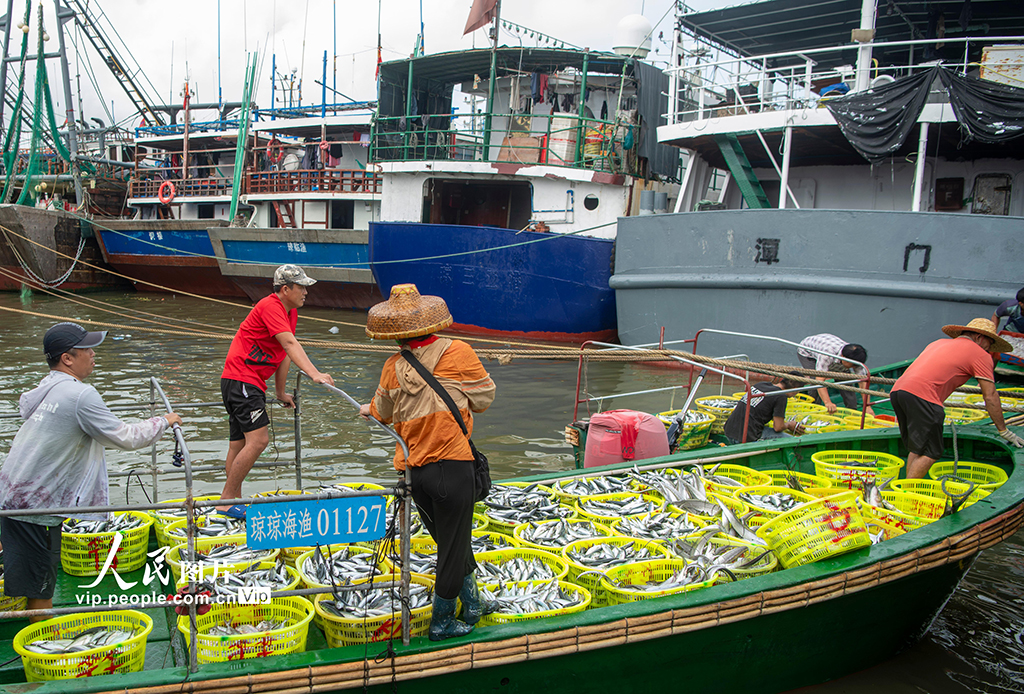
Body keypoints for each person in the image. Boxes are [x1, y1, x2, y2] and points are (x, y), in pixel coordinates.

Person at [0, 322, 182, 621]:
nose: (93, 354)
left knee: (27, 571)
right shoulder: (80, 395)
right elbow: (125, 437)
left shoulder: (47, 386)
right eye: (86, 349)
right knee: (40, 588)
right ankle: (44, 643)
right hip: (34, 506)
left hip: (11, 492)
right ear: (67, 359)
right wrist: (163, 421)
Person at [358, 284, 496, 641]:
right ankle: (442, 622)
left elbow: (381, 411)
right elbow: (484, 399)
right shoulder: (458, 351)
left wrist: (367, 409)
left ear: (396, 335)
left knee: (453, 542)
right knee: (452, 549)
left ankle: (474, 603)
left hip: (415, 474)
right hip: (453, 468)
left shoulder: (392, 367)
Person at [218, 265, 334, 518]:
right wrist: (314, 373)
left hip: (242, 380)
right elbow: (290, 344)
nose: (306, 292)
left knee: (238, 444)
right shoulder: (270, 306)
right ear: (285, 289)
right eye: (301, 287)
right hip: (242, 379)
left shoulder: (289, 313)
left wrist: (280, 392)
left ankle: (233, 500)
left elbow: (284, 354)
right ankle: (226, 500)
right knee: (259, 441)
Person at [890, 318, 1024, 479]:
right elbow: (990, 396)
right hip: (923, 397)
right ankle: (907, 491)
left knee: (918, 448)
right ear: (980, 337)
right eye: (990, 343)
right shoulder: (980, 354)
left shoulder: (938, 343)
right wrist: (1004, 431)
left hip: (898, 392)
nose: (989, 349)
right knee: (931, 452)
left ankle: (905, 487)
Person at [796, 334, 874, 416]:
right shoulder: (827, 355)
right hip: (807, 352)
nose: (854, 368)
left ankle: (852, 411)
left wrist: (867, 406)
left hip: (831, 350)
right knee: (814, 381)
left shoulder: (855, 358)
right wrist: (828, 402)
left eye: (855, 366)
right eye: (852, 365)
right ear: (843, 357)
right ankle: (815, 410)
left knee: (847, 381)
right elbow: (819, 381)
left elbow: (863, 383)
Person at [723, 377, 806, 444]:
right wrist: (789, 425)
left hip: (729, 431)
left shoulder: (761, 384)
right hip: (744, 438)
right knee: (795, 441)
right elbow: (778, 427)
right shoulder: (781, 396)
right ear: (795, 389)